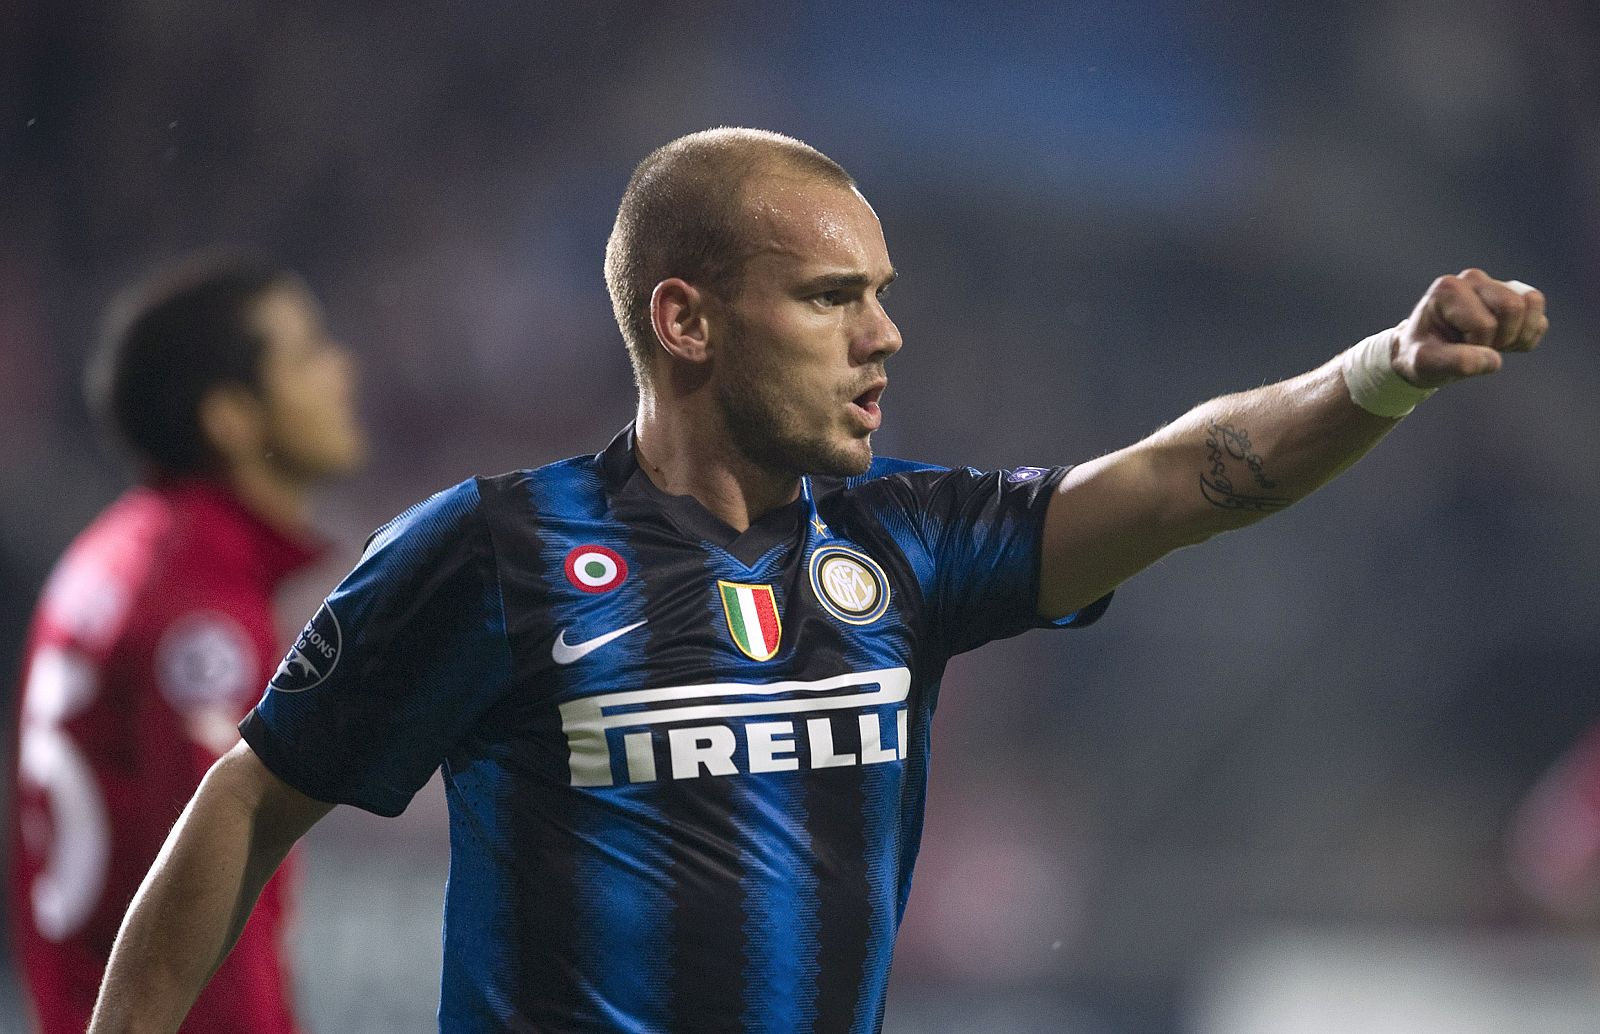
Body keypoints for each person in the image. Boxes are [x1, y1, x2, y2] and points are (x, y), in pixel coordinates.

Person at [87, 129, 1547, 1034]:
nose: (885, 337)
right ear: (689, 318)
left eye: (886, 294)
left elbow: (1179, 478)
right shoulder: (497, 552)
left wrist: (1385, 371)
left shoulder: (905, 547)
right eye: (834, 296)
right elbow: (255, 793)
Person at [13, 255, 366, 1034]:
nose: (342, 371)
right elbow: (204, 918)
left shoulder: (117, 555)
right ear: (230, 417)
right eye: (306, 354)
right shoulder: (196, 608)